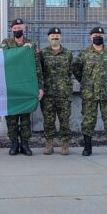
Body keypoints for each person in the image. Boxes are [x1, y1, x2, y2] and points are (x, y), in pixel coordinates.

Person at [0, 18, 44, 156]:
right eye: (14, 27)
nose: (17, 29)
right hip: (11, 86)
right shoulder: (6, 43)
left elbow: (38, 67)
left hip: (27, 86)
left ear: (24, 28)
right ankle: (14, 143)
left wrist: (40, 87)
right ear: (12, 29)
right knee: (11, 118)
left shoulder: (31, 44)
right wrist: (20, 50)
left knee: (25, 118)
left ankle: (25, 144)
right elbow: (3, 59)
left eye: (19, 27)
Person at [73, 26, 107, 157]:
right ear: (90, 37)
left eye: (100, 35)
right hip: (89, 93)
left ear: (104, 37)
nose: (98, 37)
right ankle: (87, 147)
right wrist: (86, 82)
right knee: (88, 121)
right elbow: (77, 70)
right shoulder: (84, 54)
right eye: (95, 35)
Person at [39, 27, 73, 155]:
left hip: (64, 93)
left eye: (57, 35)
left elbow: (71, 72)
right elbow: (40, 72)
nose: (55, 37)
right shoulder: (42, 54)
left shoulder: (68, 53)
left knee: (65, 120)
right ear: (48, 37)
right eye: (52, 35)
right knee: (48, 120)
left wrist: (66, 87)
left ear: (61, 37)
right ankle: (49, 144)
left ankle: (65, 144)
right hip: (48, 94)